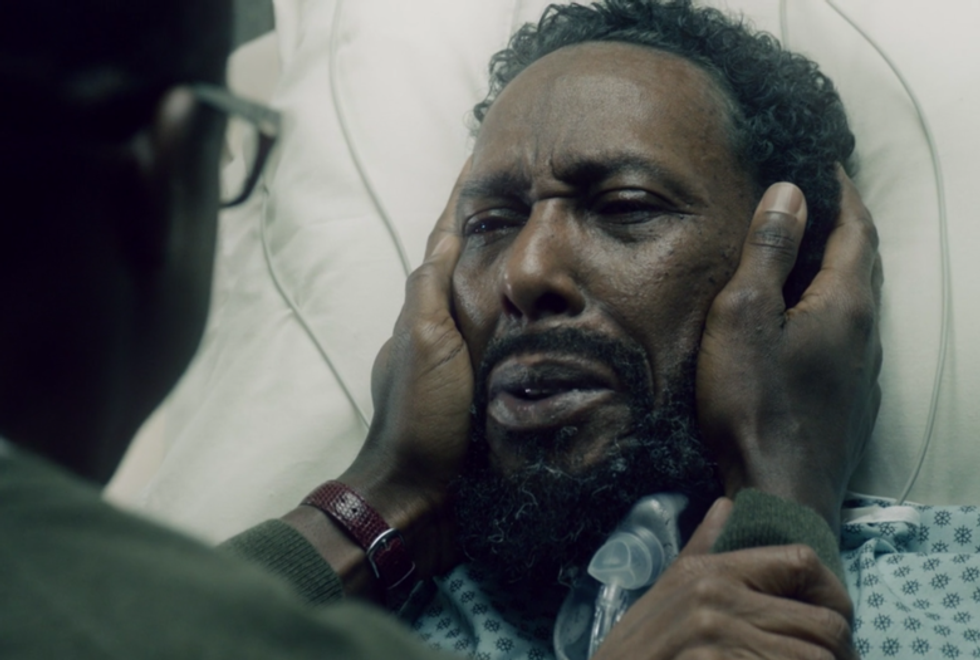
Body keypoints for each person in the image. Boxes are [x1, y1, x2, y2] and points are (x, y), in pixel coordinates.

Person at [0, 1, 881, 660]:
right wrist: (780, 496)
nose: (525, 272)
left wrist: (387, 496)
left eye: (624, 207)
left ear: (791, 277)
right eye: (490, 222)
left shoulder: (937, 590)